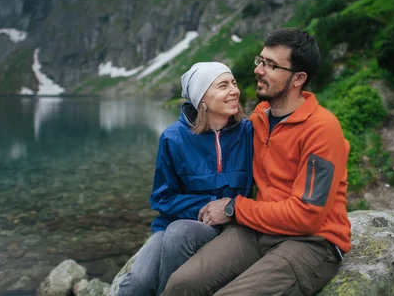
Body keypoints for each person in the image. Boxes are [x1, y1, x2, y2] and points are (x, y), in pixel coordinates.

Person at [161, 28, 351, 296]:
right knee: (180, 285)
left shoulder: (323, 129)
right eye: (260, 61)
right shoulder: (260, 116)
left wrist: (233, 209)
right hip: (258, 230)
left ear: (298, 78)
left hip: (312, 242)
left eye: (271, 65)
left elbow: (306, 216)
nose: (259, 70)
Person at [114, 62, 254, 296]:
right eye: (223, 85)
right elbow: (162, 198)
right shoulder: (173, 138)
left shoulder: (249, 133)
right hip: (171, 227)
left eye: (234, 83)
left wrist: (228, 209)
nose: (234, 90)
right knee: (135, 285)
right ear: (202, 100)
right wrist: (208, 207)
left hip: (228, 227)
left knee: (180, 234)